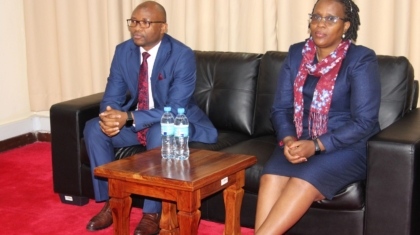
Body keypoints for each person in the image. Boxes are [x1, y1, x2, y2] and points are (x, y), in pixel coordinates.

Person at [83, 1, 217, 235]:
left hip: (178, 123)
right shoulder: (123, 51)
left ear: (163, 27)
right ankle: (111, 203)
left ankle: (151, 213)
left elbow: (175, 109)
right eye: (133, 21)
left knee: (160, 130)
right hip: (139, 123)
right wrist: (111, 117)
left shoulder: (181, 55)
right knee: (94, 128)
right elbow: (111, 96)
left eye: (145, 22)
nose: (137, 28)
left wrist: (130, 116)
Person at [254, 0, 381, 234]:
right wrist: (289, 140)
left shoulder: (361, 59)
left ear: (346, 26)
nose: (320, 24)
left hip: (347, 146)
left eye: (331, 19)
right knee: (270, 177)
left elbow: (365, 121)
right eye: (316, 17)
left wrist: (317, 145)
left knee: (302, 181)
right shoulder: (296, 54)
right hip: (299, 140)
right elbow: (281, 109)